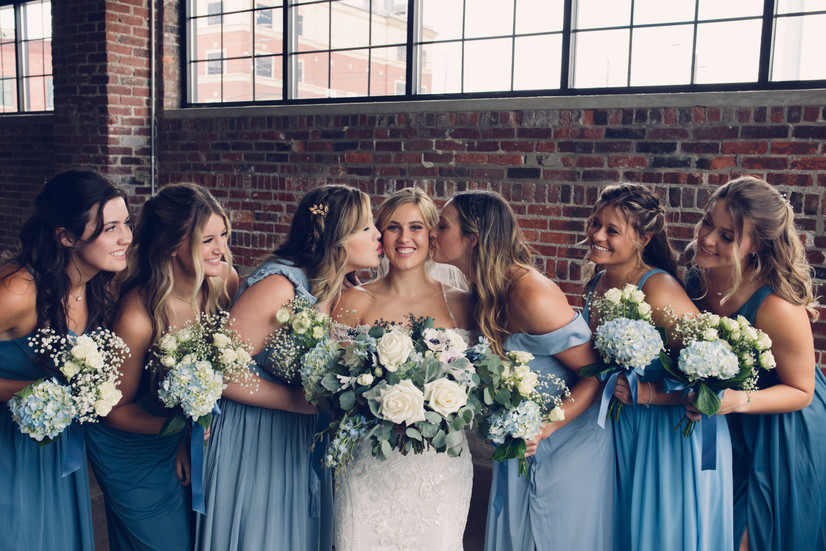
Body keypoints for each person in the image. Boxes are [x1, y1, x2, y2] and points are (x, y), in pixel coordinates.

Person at [197, 184, 381, 551]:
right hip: (253, 435)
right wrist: (296, 401)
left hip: (300, 438)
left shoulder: (335, 289)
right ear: (337, 237)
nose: (377, 235)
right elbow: (219, 373)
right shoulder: (280, 284)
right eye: (367, 227)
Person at [429, 189, 612, 551]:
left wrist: (547, 428)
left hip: (567, 440)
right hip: (519, 441)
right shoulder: (482, 289)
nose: (433, 233)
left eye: (442, 225)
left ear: (473, 239)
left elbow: (596, 371)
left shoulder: (531, 293)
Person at [85, 183, 238, 550]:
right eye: (207, 240)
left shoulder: (224, 283)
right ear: (172, 247)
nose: (221, 249)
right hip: (131, 447)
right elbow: (112, 411)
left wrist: (188, 436)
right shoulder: (137, 315)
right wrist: (181, 429)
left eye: (224, 236)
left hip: (184, 438)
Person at [582, 183, 732, 550]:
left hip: (672, 434)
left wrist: (650, 393)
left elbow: (715, 377)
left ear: (643, 237)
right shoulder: (598, 281)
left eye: (612, 230)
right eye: (595, 224)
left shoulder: (659, 288)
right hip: (623, 428)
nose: (597, 235)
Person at [684, 176, 826, 551]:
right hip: (724, 420)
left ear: (756, 245)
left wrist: (736, 401)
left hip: (780, 427)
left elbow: (802, 390)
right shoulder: (694, 273)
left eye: (727, 236)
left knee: (751, 536)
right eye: (706, 221)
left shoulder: (777, 306)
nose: (708, 238)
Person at [332, 187, 475, 550]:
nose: (405, 238)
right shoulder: (353, 300)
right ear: (381, 234)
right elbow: (333, 383)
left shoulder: (464, 303)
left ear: (432, 233)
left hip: (438, 465)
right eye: (393, 227)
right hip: (367, 463)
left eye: (416, 227)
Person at [0, 170, 132, 551]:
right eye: (110, 228)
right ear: (67, 236)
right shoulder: (17, 291)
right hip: (8, 451)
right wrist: (32, 391)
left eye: (126, 223)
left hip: (55, 453)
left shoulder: (98, 287)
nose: (125, 237)